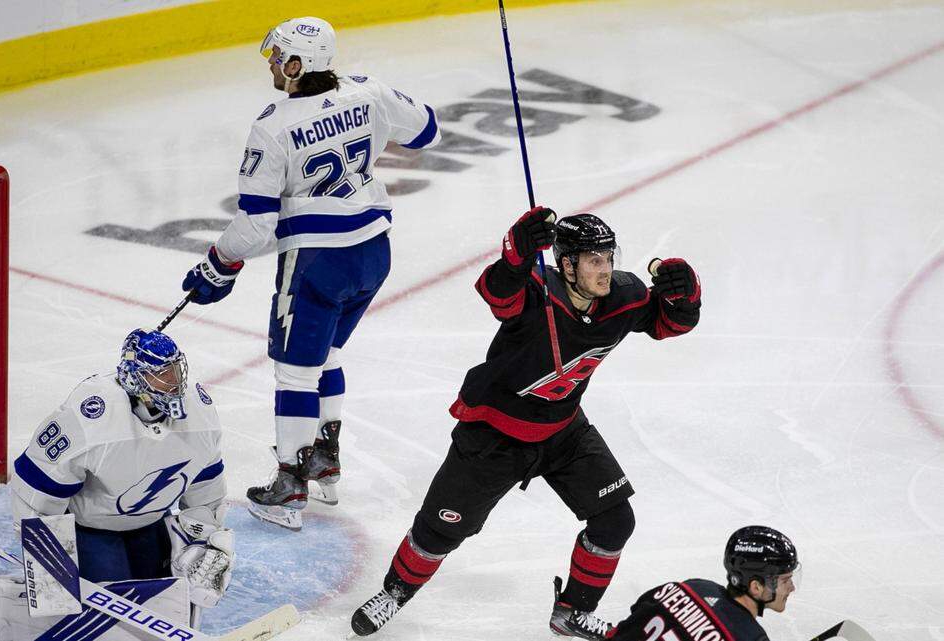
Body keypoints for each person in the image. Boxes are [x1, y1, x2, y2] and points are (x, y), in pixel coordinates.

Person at [350, 208, 702, 639]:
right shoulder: (537, 291)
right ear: (566, 264)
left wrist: (685, 293)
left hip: (564, 430)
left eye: (608, 257)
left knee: (615, 520)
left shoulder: (623, 298)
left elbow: (674, 323)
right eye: (593, 260)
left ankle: (571, 612)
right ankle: (394, 593)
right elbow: (498, 293)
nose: (605, 269)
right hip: (494, 435)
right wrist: (516, 253)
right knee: (440, 529)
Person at [180, 16, 441, 530]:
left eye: (279, 57)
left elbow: (256, 227)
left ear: (299, 64)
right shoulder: (368, 91)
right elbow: (428, 130)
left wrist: (218, 263)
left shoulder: (273, 125)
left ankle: (289, 487)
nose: (273, 65)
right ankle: (324, 463)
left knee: (296, 370)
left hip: (319, 263)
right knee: (330, 355)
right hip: (373, 253)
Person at [6, 329, 232, 615]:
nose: (173, 384)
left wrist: (203, 542)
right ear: (134, 379)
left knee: (167, 603)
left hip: (151, 522)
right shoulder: (92, 417)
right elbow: (35, 488)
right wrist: (49, 570)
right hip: (90, 529)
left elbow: (205, 488)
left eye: (175, 372)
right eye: (160, 375)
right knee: (109, 609)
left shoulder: (200, 413)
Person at [608, 526, 798, 641]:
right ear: (756, 587)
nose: (792, 588)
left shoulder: (691, 587)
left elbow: (622, 630)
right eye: (785, 580)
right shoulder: (750, 636)